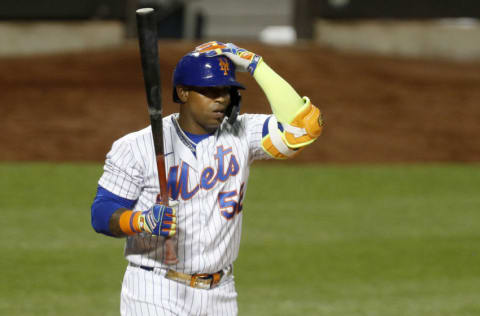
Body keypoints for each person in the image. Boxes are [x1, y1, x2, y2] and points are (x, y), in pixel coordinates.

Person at [91, 41, 323, 315]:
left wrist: (255, 64)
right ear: (184, 93)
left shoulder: (242, 133)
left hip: (221, 293)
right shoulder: (136, 146)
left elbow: (303, 128)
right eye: (210, 91)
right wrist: (141, 220)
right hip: (154, 289)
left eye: (226, 90)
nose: (221, 98)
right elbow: (102, 213)